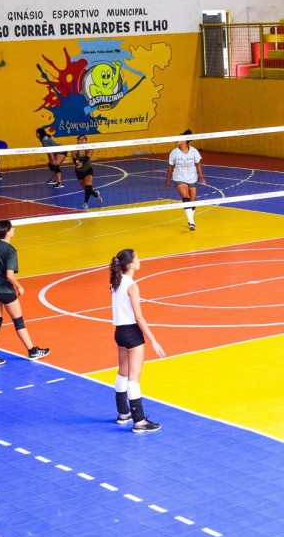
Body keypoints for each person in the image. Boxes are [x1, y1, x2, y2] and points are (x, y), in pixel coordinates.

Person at [0, 219, 50, 368]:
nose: (14, 229)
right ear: (6, 232)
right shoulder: (10, 250)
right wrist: (19, 287)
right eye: (12, 228)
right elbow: (10, 275)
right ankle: (33, 351)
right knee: (18, 321)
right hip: (4, 290)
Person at [109, 248, 164, 433]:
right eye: (137, 258)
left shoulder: (116, 282)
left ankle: (123, 413)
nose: (140, 260)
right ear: (131, 265)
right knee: (134, 378)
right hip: (132, 333)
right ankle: (139, 421)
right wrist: (154, 340)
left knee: (123, 372)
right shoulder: (132, 285)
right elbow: (139, 317)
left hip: (119, 333)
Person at [165, 129, 205, 231]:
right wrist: (168, 179)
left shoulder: (194, 151)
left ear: (184, 141)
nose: (176, 140)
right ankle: (192, 222)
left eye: (179, 139)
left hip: (192, 177)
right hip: (179, 177)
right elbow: (170, 167)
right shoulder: (174, 153)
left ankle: (190, 219)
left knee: (193, 201)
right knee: (186, 198)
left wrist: (201, 177)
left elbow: (198, 164)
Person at [71, 134, 103, 210]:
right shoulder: (74, 150)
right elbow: (75, 161)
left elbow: (86, 158)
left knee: (88, 188)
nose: (81, 140)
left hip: (88, 170)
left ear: (86, 141)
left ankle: (85, 203)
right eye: (80, 139)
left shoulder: (89, 148)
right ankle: (96, 194)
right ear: (77, 141)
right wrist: (77, 163)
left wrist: (80, 163)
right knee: (86, 189)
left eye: (83, 139)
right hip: (79, 172)